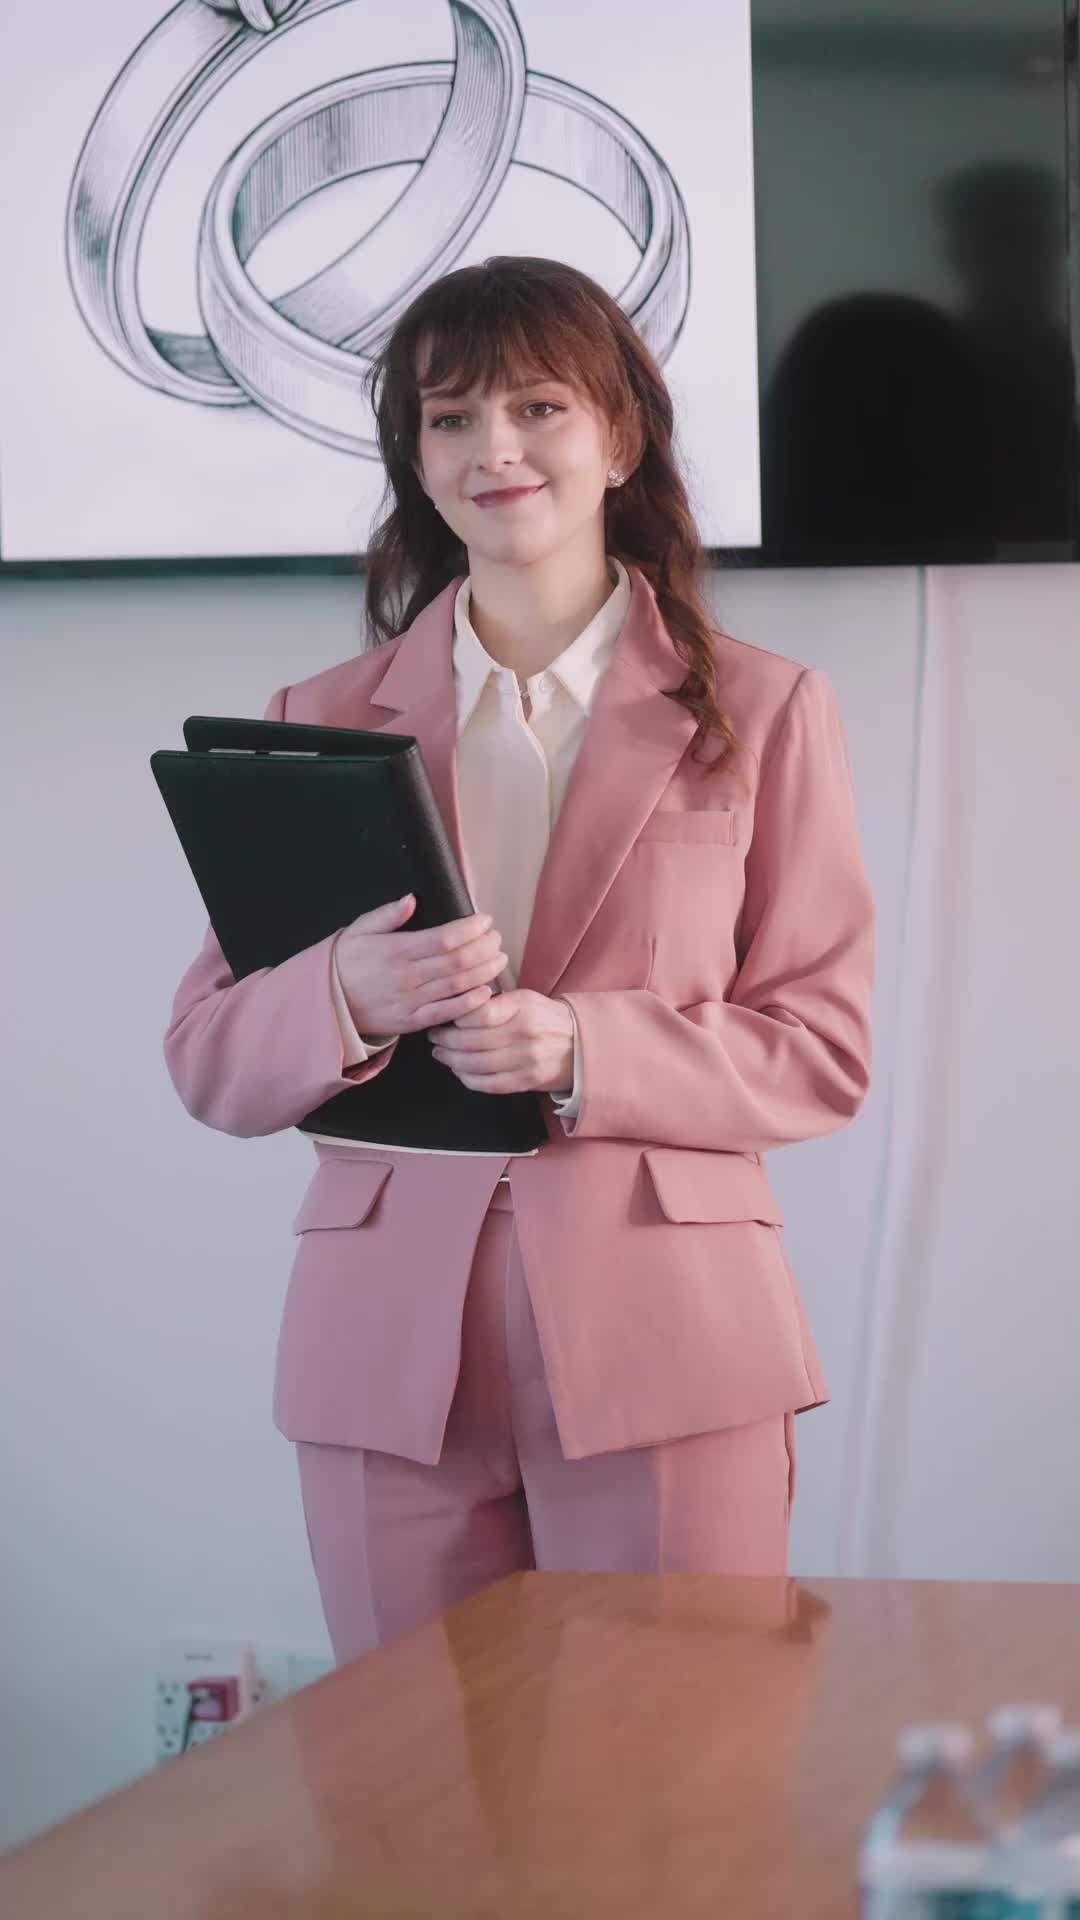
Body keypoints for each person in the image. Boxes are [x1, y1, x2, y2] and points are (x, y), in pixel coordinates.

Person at [164, 255, 875, 1664]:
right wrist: (340, 996)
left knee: (674, 1778)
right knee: (405, 1782)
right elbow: (209, 1057)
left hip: (668, 1340)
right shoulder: (318, 718)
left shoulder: (766, 710)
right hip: (386, 1358)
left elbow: (822, 1051)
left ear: (620, 436)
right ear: (416, 462)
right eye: (450, 418)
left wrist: (583, 1047)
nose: (494, 448)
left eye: (539, 406)